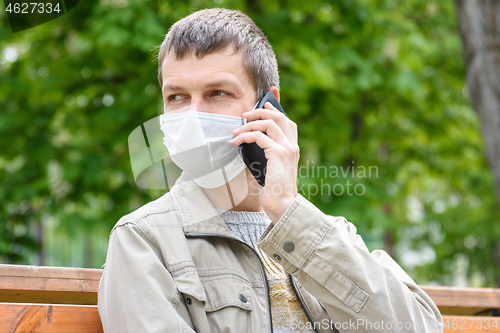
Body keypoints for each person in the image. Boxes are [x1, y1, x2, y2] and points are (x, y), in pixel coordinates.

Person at [97, 8, 443, 333]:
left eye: (217, 93)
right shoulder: (143, 239)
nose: (193, 115)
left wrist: (288, 211)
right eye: (176, 97)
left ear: (268, 106)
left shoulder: (327, 233)